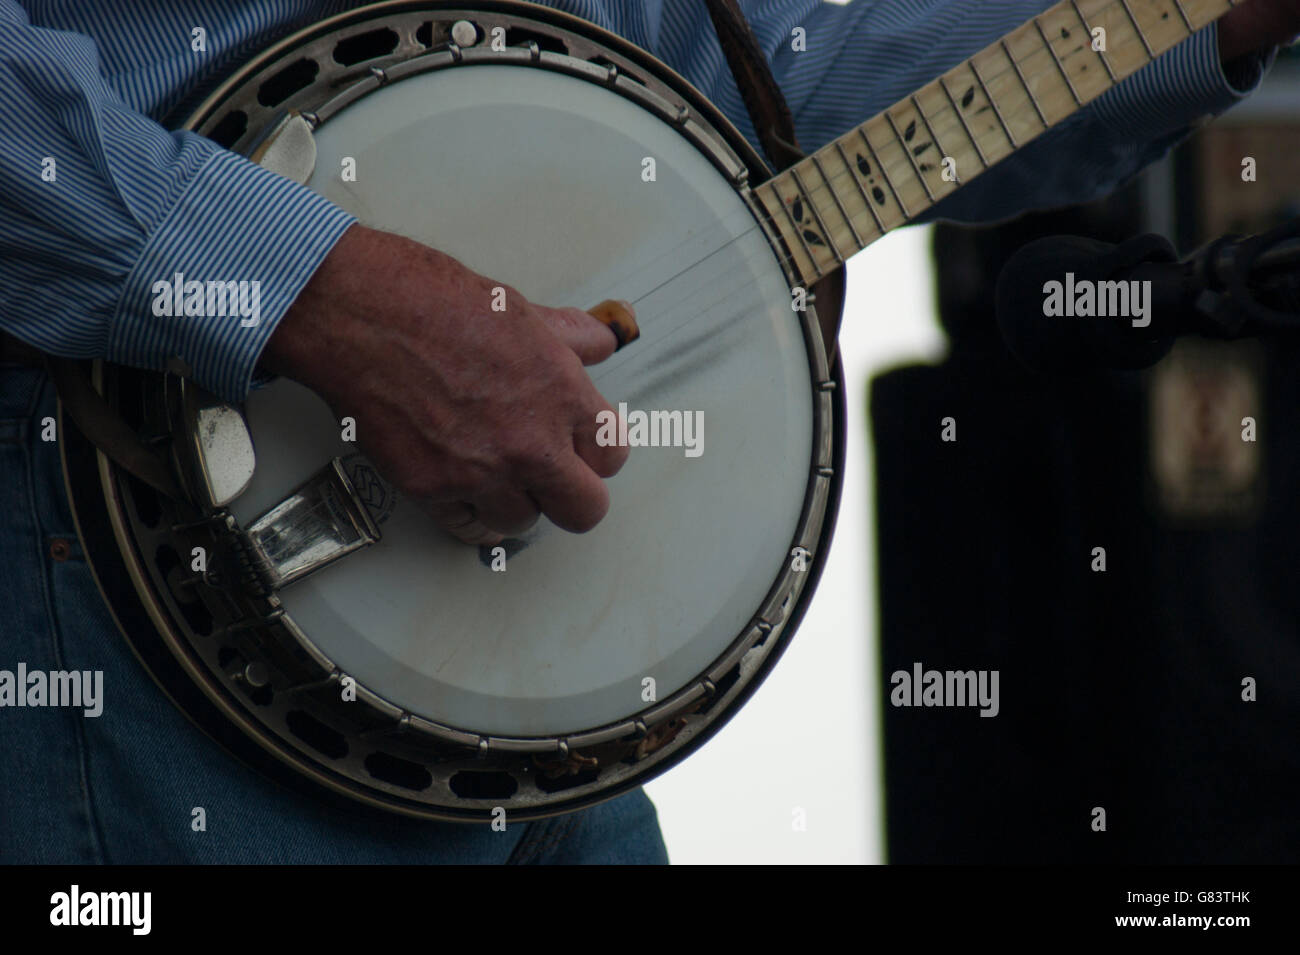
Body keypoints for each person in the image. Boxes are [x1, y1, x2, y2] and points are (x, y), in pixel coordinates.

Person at [0, 0, 1294, 864]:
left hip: (544, 687)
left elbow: (749, 66)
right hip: (121, 550)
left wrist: (1196, 14)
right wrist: (310, 293)